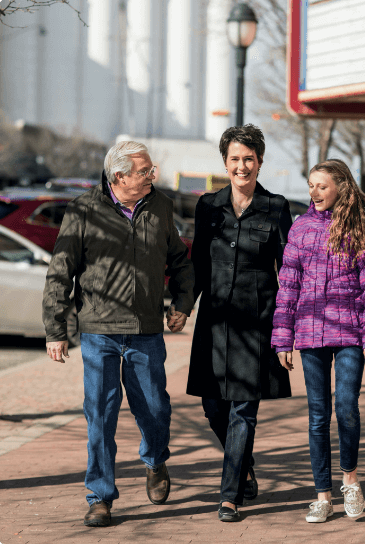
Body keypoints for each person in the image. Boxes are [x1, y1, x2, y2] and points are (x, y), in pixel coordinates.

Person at [42, 141, 194, 527]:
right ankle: (100, 496)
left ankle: (156, 460)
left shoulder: (160, 206)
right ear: (119, 176)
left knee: (156, 410)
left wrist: (181, 303)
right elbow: (61, 271)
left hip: (145, 331)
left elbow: (179, 260)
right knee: (100, 416)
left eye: (151, 170)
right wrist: (55, 329)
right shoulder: (83, 210)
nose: (152, 176)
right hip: (98, 333)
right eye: (145, 172)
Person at [271, 159, 365, 522]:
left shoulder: (362, 225)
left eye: (322, 186)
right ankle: (322, 495)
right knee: (318, 416)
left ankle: (350, 481)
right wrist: (282, 338)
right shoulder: (301, 228)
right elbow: (288, 286)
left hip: (351, 332)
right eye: (310, 186)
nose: (314, 192)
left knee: (346, 408)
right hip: (310, 333)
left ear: (341, 186)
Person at [186, 124, 292, 522]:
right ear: (225, 163)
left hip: (257, 324)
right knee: (213, 407)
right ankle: (244, 464)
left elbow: (290, 270)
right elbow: (197, 263)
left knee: (243, 411)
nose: (242, 166)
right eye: (235, 159)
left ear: (260, 162)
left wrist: (287, 328)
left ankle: (229, 495)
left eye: (249, 159)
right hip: (213, 322)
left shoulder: (277, 207)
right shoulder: (207, 206)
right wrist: (183, 305)